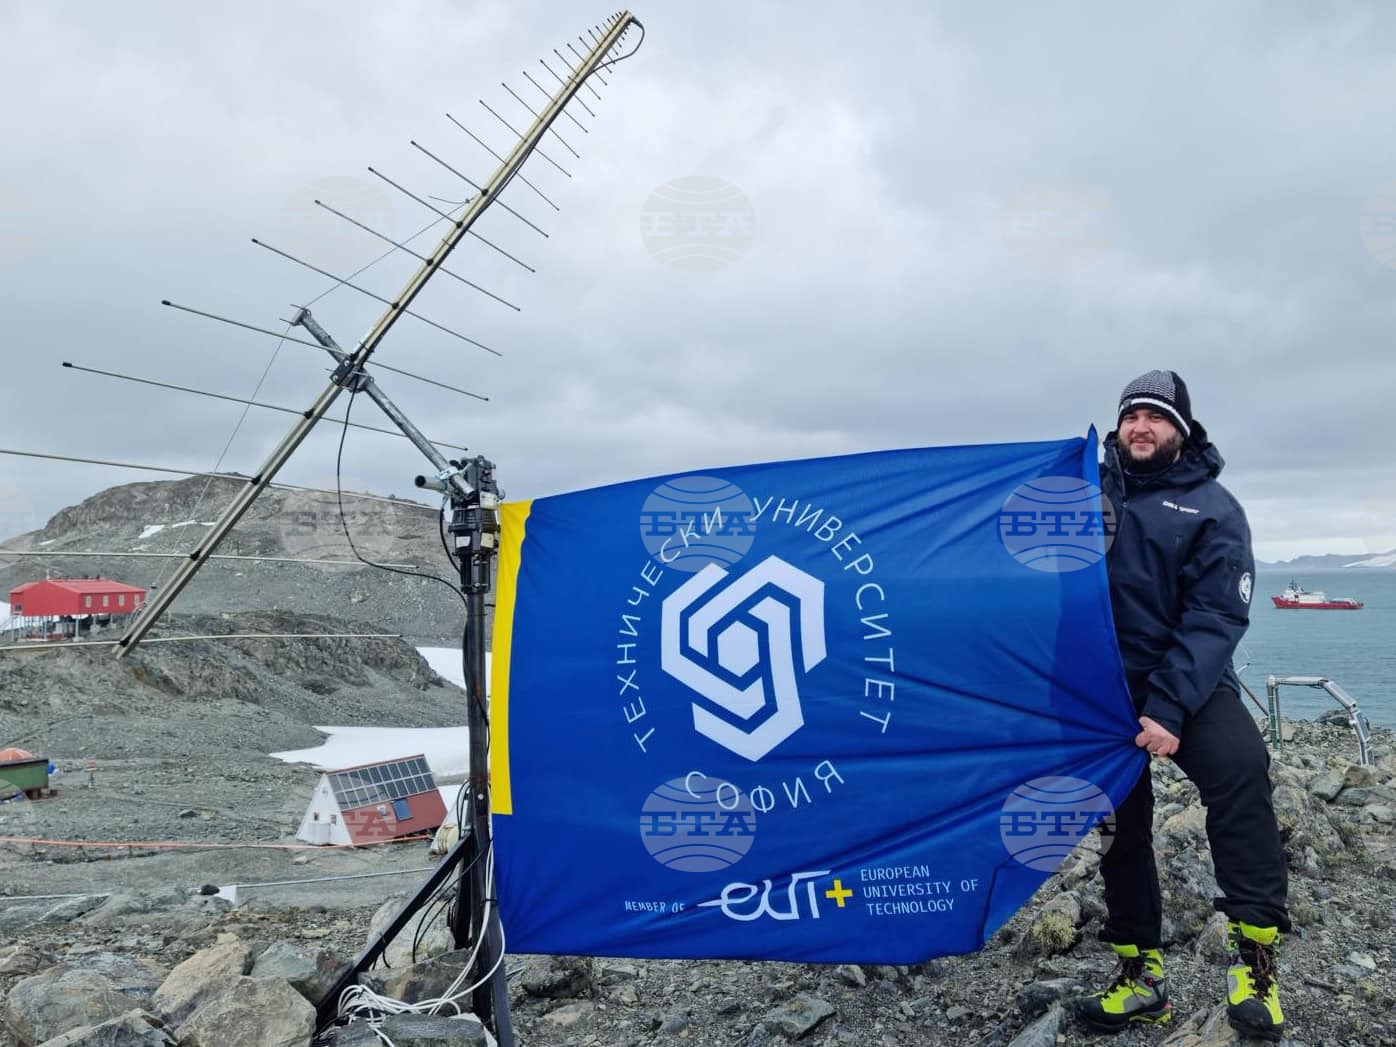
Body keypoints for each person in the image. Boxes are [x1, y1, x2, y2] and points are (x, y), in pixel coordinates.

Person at [1074, 370, 1289, 1041]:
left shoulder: (1213, 508)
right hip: (1103, 691)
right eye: (1131, 415)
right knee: (1119, 822)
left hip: (1188, 683)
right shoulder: (1081, 494)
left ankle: (1254, 961)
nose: (1141, 426)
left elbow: (1217, 615)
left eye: (1157, 416)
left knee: (1242, 772)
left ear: (1182, 430)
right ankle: (1141, 974)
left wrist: (1169, 706)